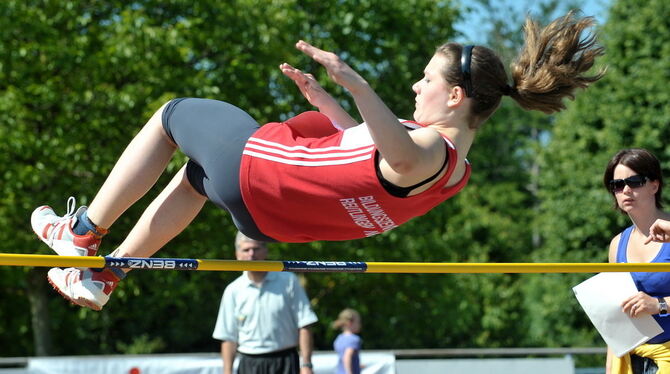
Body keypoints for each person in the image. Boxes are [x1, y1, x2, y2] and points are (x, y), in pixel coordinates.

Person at [31, 10, 606, 310]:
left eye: (426, 78)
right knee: (194, 180)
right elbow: (367, 167)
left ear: (455, 97)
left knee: (174, 115)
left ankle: (82, 233)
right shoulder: (454, 170)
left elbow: (398, 154)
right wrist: (329, 105)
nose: (414, 85)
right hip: (274, 216)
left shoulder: (429, 148)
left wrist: (354, 82)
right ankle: (105, 275)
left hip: (262, 171)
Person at [603, 149, 670, 374]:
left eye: (635, 181)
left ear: (654, 185)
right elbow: (616, 320)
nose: (626, 190)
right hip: (633, 361)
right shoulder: (616, 245)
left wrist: (659, 305)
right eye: (618, 185)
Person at [212, 232, 318, 374]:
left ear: (265, 251)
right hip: (249, 363)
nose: (251, 254)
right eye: (246, 250)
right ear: (237, 254)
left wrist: (306, 365)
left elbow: (305, 323)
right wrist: (227, 372)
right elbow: (228, 337)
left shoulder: (288, 281)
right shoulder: (233, 290)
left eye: (255, 249)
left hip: (285, 360)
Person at [332, 308, 362, 374]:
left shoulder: (339, 338)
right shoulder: (354, 339)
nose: (360, 325)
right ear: (350, 323)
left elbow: (342, 356)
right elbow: (347, 357)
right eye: (358, 322)